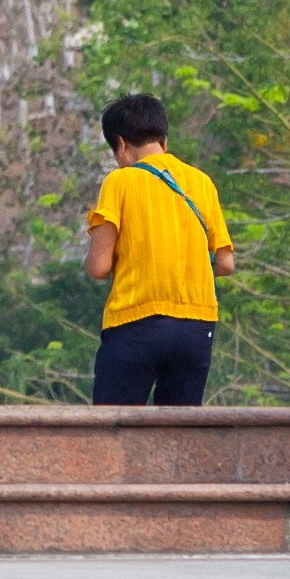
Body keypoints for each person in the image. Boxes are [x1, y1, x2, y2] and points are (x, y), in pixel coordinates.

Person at [80, 94, 234, 406]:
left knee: (111, 433)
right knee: (178, 438)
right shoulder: (202, 182)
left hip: (136, 322)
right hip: (197, 326)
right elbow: (226, 263)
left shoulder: (120, 181)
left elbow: (99, 267)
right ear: (164, 138)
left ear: (121, 145)